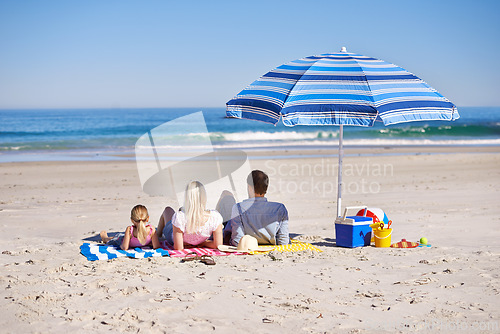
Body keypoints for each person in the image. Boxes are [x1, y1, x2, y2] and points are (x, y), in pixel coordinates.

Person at [222, 170, 289, 246]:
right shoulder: (280, 208)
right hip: (270, 244)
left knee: (226, 196)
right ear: (266, 188)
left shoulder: (238, 208)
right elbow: (283, 241)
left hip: (245, 243)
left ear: (250, 187)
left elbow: (237, 241)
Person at [157, 181, 223, 250]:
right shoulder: (215, 217)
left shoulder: (179, 217)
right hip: (198, 238)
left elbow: (178, 248)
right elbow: (218, 245)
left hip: (174, 236)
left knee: (167, 210)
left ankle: (158, 235)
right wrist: (204, 243)